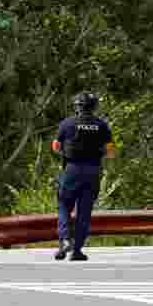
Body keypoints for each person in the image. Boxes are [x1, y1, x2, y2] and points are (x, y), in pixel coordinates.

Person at [51, 92, 115, 261]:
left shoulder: (67, 123)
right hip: (92, 171)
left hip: (72, 170)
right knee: (84, 212)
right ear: (94, 107)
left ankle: (65, 240)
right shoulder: (101, 125)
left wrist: (66, 152)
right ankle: (77, 250)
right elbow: (110, 152)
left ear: (77, 106)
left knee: (64, 205)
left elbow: (55, 146)